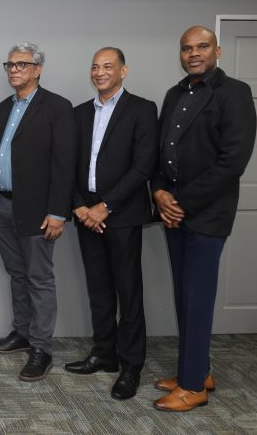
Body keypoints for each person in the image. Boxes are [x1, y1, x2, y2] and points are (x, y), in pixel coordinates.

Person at [151, 26, 256, 412]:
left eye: (202, 46)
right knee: (184, 296)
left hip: (207, 215)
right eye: (186, 48)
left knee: (197, 300)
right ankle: (197, 370)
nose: (193, 53)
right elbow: (161, 152)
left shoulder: (235, 93)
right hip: (174, 214)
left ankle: (193, 388)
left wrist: (180, 202)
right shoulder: (174, 94)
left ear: (217, 51)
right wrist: (159, 192)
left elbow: (232, 162)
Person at [64, 47, 158, 400]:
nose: (100, 72)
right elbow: (68, 165)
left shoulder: (142, 109)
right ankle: (105, 353)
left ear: (123, 71)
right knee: (99, 289)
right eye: (95, 67)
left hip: (121, 215)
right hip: (86, 215)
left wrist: (106, 206)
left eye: (108, 66)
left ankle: (131, 365)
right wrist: (79, 206)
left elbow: (143, 165)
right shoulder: (79, 113)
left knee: (128, 292)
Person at [0, 42, 75, 382]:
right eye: (10, 64)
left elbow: (65, 163)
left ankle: (42, 348)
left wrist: (58, 212)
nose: (14, 70)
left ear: (38, 69)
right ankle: (22, 332)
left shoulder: (57, 107)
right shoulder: (4, 107)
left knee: (39, 278)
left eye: (21, 64)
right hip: (2, 206)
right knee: (18, 274)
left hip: (38, 210)